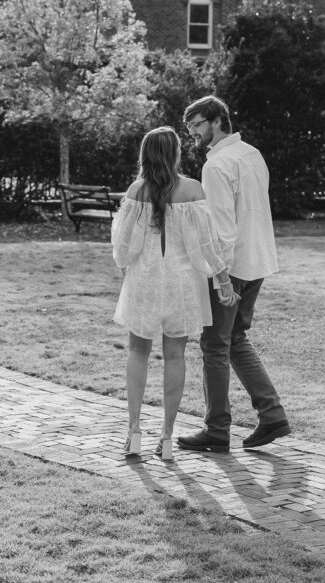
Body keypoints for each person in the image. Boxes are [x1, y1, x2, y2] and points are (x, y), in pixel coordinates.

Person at [112, 126, 237, 461]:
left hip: (145, 282)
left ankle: (134, 431)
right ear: (175, 153)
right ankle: (167, 438)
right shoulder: (193, 189)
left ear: (145, 154)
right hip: (183, 284)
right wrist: (223, 282)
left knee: (137, 354)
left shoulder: (137, 191)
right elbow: (208, 247)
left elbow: (123, 250)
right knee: (176, 357)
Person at [177, 96, 290, 453]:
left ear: (216, 121)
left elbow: (222, 229)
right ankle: (272, 415)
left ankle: (216, 430)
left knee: (214, 344)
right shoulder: (252, 154)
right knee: (235, 338)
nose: (192, 133)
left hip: (232, 265)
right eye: (189, 127)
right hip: (258, 260)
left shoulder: (218, 165)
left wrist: (220, 278)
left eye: (196, 125)